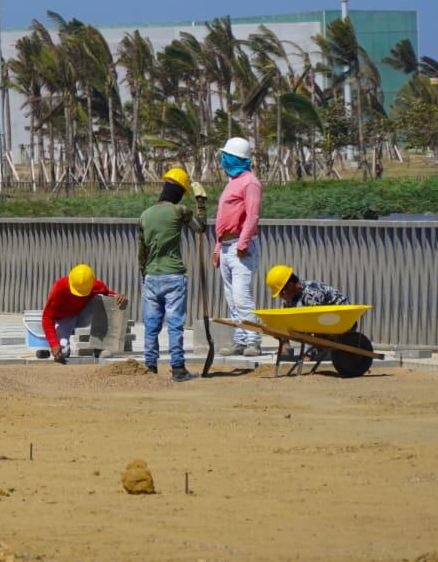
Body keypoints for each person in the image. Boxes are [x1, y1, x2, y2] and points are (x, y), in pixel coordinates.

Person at [138, 167, 205, 381]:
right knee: (175, 325)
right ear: (179, 193)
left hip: (151, 276)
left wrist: (145, 274)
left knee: (151, 325)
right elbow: (200, 228)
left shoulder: (145, 215)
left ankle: (150, 368)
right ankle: (178, 369)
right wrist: (201, 202)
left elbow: (142, 252)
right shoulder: (179, 211)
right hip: (173, 276)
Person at [212, 137, 263, 356]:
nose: (223, 161)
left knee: (241, 297)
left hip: (240, 247)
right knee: (232, 299)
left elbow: (252, 216)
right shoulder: (233, 182)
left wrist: (242, 243)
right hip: (226, 246)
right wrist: (217, 248)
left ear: (235, 158)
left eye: (226, 157)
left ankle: (253, 340)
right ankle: (240, 340)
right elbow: (223, 218)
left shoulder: (250, 182)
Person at [41, 263, 127, 363]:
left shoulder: (95, 285)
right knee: (62, 352)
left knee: (100, 299)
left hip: (83, 316)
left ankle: (100, 347)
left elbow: (108, 293)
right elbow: (47, 317)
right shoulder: (60, 287)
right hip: (65, 319)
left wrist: (118, 296)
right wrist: (54, 343)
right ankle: (65, 348)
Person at [265, 264, 352, 363]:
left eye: (282, 292)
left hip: (342, 322)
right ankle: (285, 348)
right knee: (278, 323)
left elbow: (313, 326)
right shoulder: (292, 295)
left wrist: (308, 354)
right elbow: (283, 318)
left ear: (290, 285)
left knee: (311, 323)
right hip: (327, 322)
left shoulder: (312, 293)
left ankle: (315, 351)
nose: (281, 297)